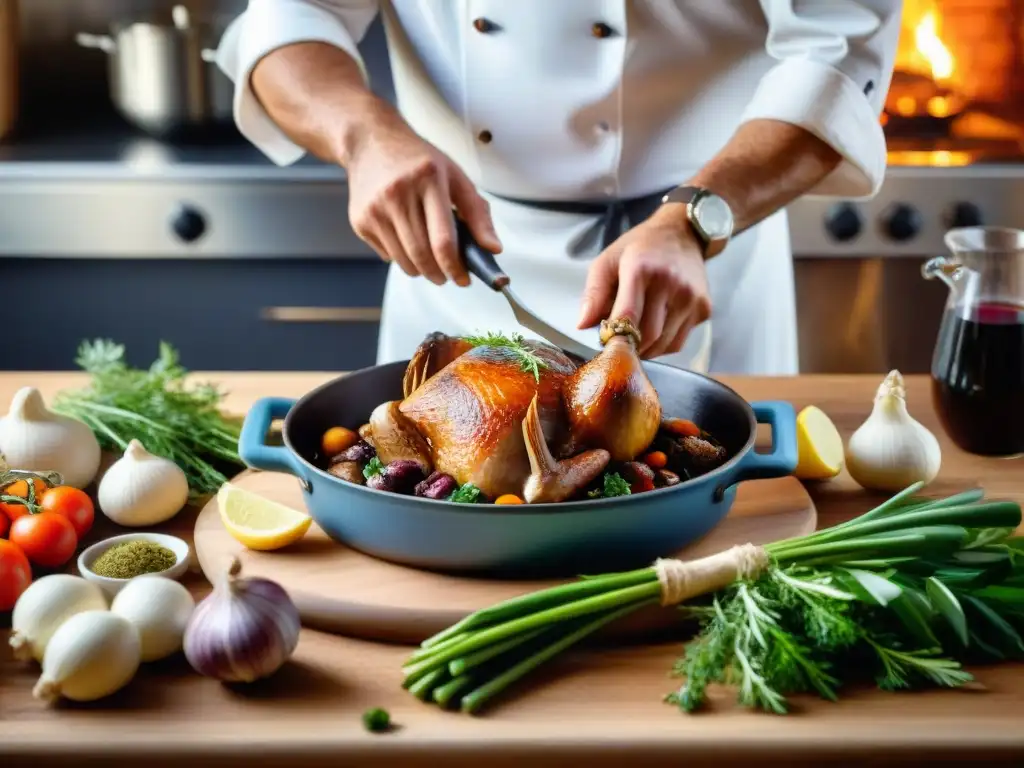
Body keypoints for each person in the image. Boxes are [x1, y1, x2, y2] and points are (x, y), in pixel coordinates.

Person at [215, 1, 901, 374]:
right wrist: (363, 136)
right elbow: (292, 18)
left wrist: (693, 220)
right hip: (458, 265)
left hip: (702, 252)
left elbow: (836, 59)